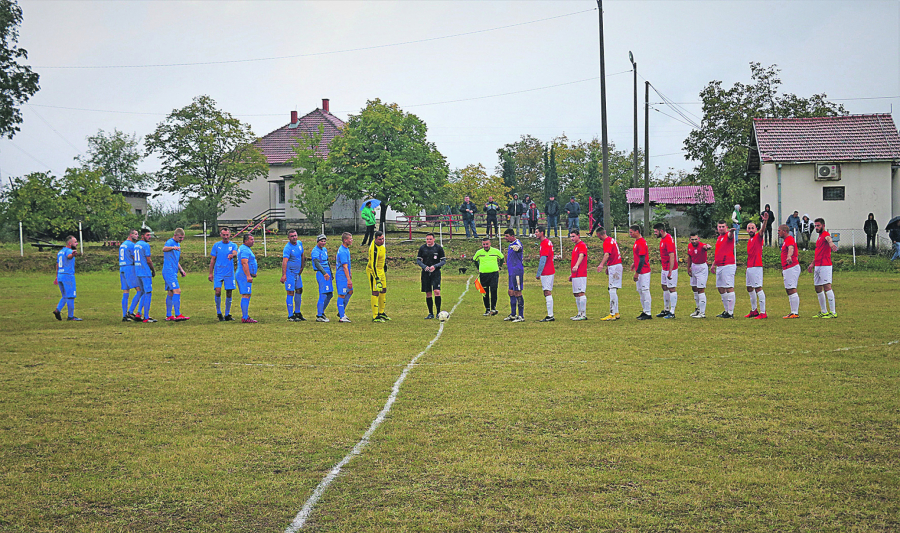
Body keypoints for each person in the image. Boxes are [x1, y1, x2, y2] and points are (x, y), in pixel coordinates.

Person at [808, 218, 839, 318]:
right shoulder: (819, 237)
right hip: (818, 265)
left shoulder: (825, 234)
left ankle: (833, 312)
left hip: (825, 265)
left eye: (818, 226)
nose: (816, 228)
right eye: (815, 226)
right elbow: (818, 252)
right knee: (817, 288)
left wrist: (831, 243)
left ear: (823, 226)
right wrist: (812, 264)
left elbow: (829, 239)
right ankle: (824, 311)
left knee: (827, 287)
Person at [208, 227, 238, 322]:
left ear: (230, 235)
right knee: (218, 291)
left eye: (227, 235)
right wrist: (210, 273)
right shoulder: (216, 245)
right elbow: (213, 259)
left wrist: (232, 255)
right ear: (221, 235)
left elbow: (235, 253)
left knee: (229, 292)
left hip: (229, 273)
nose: (225, 237)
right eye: (224, 235)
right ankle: (219, 313)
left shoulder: (233, 245)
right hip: (218, 272)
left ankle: (227, 314)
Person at [744, 213, 769, 319]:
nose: (750, 230)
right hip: (750, 266)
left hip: (756, 266)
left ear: (756, 229)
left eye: (752, 228)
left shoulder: (758, 237)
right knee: (749, 288)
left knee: (758, 288)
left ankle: (763, 312)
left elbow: (762, 231)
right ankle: (754, 310)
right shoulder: (749, 240)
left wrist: (765, 221)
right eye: (749, 228)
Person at [710, 220, 737, 318]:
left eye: (723, 226)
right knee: (720, 288)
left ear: (726, 227)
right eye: (719, 226)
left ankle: (730, 312)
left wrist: (732, 231)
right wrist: (713, 264)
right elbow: (718, 252)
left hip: (728, 264)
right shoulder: (719, 238)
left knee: (729, 287)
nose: (721, 228)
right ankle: (726, 310)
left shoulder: (728, 236)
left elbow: (730, 235)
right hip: (720, 265)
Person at [595, 227, 622, 321]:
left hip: (615, 266)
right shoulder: (612, 240)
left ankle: (612, 313)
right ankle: (617, 312)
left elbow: (607, 254)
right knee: (613, 288)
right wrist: (608, 266)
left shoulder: (606, 242)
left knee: (612, 289)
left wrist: (601, 265)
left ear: (599, 234)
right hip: (616, 265)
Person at [416, 232, 446, 319]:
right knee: (428, 293)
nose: (428, 241)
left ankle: (438, 313)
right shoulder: (422, 248)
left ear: (434, 239)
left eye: (430, 239)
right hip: (425, 273)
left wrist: (435, 266)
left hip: (435, 273)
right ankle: (430, 313)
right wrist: (424, 266)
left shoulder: (438, 248)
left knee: (437, 291)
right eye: (427, 239)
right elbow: (418, 260)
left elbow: (443, 261)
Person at [162, 228, 189, 322]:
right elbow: (164, 249)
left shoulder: (178, 244)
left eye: (183, 238)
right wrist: (172, 248)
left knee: (171, 292)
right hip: (168, 271)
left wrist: (181, 270)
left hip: (173, 271)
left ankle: (169, 315)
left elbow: (175, 260)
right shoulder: (170, 242)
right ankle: (178, 314)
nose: (182, 239)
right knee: (177, 291)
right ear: (175, 235)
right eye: (180, 237)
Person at [652, 224, 678, 318]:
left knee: (671, 288)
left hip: (670, 268)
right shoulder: (662, 239)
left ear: (661, 230)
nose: (655, 233)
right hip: (665, 268)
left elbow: (672, 255)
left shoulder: (668, 239)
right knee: (664, 286)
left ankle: (672, 312)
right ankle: (666, 309)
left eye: (656, 231)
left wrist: (670, 270)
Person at [473, 237, 504, 316]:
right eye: (484, 244)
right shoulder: (479, 252)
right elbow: (475, 260)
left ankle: (493, 308)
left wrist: (499, 266)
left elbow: (502, 258)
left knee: (493, 290)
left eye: (487, 244)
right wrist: (478, 268)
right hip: (483, 274)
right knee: (485, 292)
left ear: (490, 244)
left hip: (494, 274)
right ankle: (487, 309)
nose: (485, 245)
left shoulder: (495, 251)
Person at [280, 229, 306, 322]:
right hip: (290, 273)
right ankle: (290, 315)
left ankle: (297, 312)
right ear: (288, 238)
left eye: (295, 235)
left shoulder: (299, 244)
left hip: (297, 273)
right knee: (290, 292)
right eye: (292, 236)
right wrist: (284, 275)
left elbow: (302, 255)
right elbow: (285, 261)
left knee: (299, 290)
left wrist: (302, 267)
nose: (294, 237)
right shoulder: (287, 248)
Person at [53, 236, 81, 322]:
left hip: (60, 275)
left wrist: (57, 276)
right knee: (71, 296)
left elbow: (57, 264)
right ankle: (70, 316)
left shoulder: (60, 252)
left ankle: (57, 310)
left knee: (64, 296)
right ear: (70, 243)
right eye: (75, 242)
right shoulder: (69, 251)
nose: (77, 243)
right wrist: (72, 255)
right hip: (68, 276)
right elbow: (69, 256)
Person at [685, 233, 712, 318]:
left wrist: (708, 246)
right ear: (690, 239)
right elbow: (689, 256)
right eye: (692, 239)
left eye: (695, 239)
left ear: (698, 239)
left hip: (701, 267)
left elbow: (706, 246)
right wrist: (688, 268)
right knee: (694, 288)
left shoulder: (702, 245)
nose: (694, 241)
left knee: (701, 289)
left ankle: (702, 313)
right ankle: (698, 309)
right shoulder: (689, 246)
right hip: (694, 266)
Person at [133, 228, 157, 323]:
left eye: (150, 235)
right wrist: (153, 270)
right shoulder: (146, 245)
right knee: (148, 293)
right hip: (145, 272)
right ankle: (146, 317)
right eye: (147, 235)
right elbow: (148, 260)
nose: (149, 237)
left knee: (143, 292)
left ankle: (139, 313)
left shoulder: (136, 245)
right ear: (142, 236)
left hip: (138, 271)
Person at [778, 224, 801, 318]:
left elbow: (791, 248)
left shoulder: (789, 239)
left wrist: (789, 256)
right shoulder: (785, 241)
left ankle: (795, 312)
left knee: (792, 288)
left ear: (784, 231)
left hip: (791, 267)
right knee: (788, 289)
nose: (778, 233)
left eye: (779, 231)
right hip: (787, 268)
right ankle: (792, 312)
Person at [630, 225, 652, 320]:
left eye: (631, 232)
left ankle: (648, 312)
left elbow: (642, 259)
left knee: (645, 290)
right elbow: (639, 257)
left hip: (644, 271)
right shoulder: (637, 242)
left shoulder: (641, 242)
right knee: (640, 291)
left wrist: (637, 272)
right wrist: (634, 263)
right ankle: (644, 310)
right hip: (640, 270)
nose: (630, 234)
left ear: (637, 231)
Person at [533, 226, 555, 322]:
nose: (535, 234)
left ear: (542, 233)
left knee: (547, 291)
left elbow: (543, 259)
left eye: (537, 232)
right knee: (546, 291)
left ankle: (550, 315)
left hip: (547, 271)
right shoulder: (546, 242)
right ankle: (550, 315)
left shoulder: (545, 243)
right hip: (549, 270)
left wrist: (539, 272)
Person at [503, 228, 525, 322]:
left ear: (512, 236)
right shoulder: (510, 245)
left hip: (517, 271)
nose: (505, 238)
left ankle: (521, 316)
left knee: (517, 292)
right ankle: (513, 314)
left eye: (507, 236)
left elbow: (519, 248)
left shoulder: (517, 243)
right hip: (511, 272)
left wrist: (517, 248)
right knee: (510, 292)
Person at [118, 229, 141, 322]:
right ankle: (130, 311)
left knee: (125, 292)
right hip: (129, 268)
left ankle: (124, 315)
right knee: (140, 290)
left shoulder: (122, 244)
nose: (137, 236)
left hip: (122, 267)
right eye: (135, 234)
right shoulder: (132, 245)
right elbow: (134, 257)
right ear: (130, 235)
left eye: (138, 234)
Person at [236, 233, 258, 323]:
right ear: (246, 241)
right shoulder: (244, 250)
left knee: (247, 294)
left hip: (244, 274)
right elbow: (244, 263)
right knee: (245, 294)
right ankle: (245, 317)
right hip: (243, 275)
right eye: (251, 239)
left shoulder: (245, 248)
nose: (253, 241)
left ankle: (245, 316)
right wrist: (248, 275)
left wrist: (252, 273)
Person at [367, 230, 389, 322]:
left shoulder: (382, 247)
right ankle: (375, 316)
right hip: (373, 271)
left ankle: (381, 312)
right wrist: (376, 278)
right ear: (375, 239)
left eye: (383, 239)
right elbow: (373, 265)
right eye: (380, 239)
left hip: (381, 271)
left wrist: (384, 266)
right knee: (375, 292)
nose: (382, 241)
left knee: (383, 290)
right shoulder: (374, 249)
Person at [311, 234, 334, 322]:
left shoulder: (324, 250)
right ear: (318, 241)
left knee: (330, 294)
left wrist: (331, 273)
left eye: (324, 241)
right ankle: (319, 315)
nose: (323, 243)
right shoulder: (315, 251)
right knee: (323, 294)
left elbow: (327, 262)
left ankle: (322, 312)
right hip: (321, 273)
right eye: (321, 241)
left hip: (327, 272)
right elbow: (316, 263)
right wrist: (324, 273)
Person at [568, 229, 588, 320]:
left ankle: (583, 314)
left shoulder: (582, 245)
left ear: (578, 236)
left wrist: (576, 265)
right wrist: (572, 274)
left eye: (573, 236)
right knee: (576, 293)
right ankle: (579, 313)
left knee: (581, 293)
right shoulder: (576, 246)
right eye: (571, 236)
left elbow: (581, 255)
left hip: (581, 273)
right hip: (575, 274)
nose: (571, 238)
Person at [335, 232, 354, 323]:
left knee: (350, 291)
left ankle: (341, 311)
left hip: (346, 275)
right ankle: (342, 316)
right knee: (341, 294)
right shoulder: (342, 251)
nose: (352, 240)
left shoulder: (346, 249)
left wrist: (350, 274)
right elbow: (344, 266)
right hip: (342, 276)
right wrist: (348, 279)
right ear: (345, 240)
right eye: (350, 239)